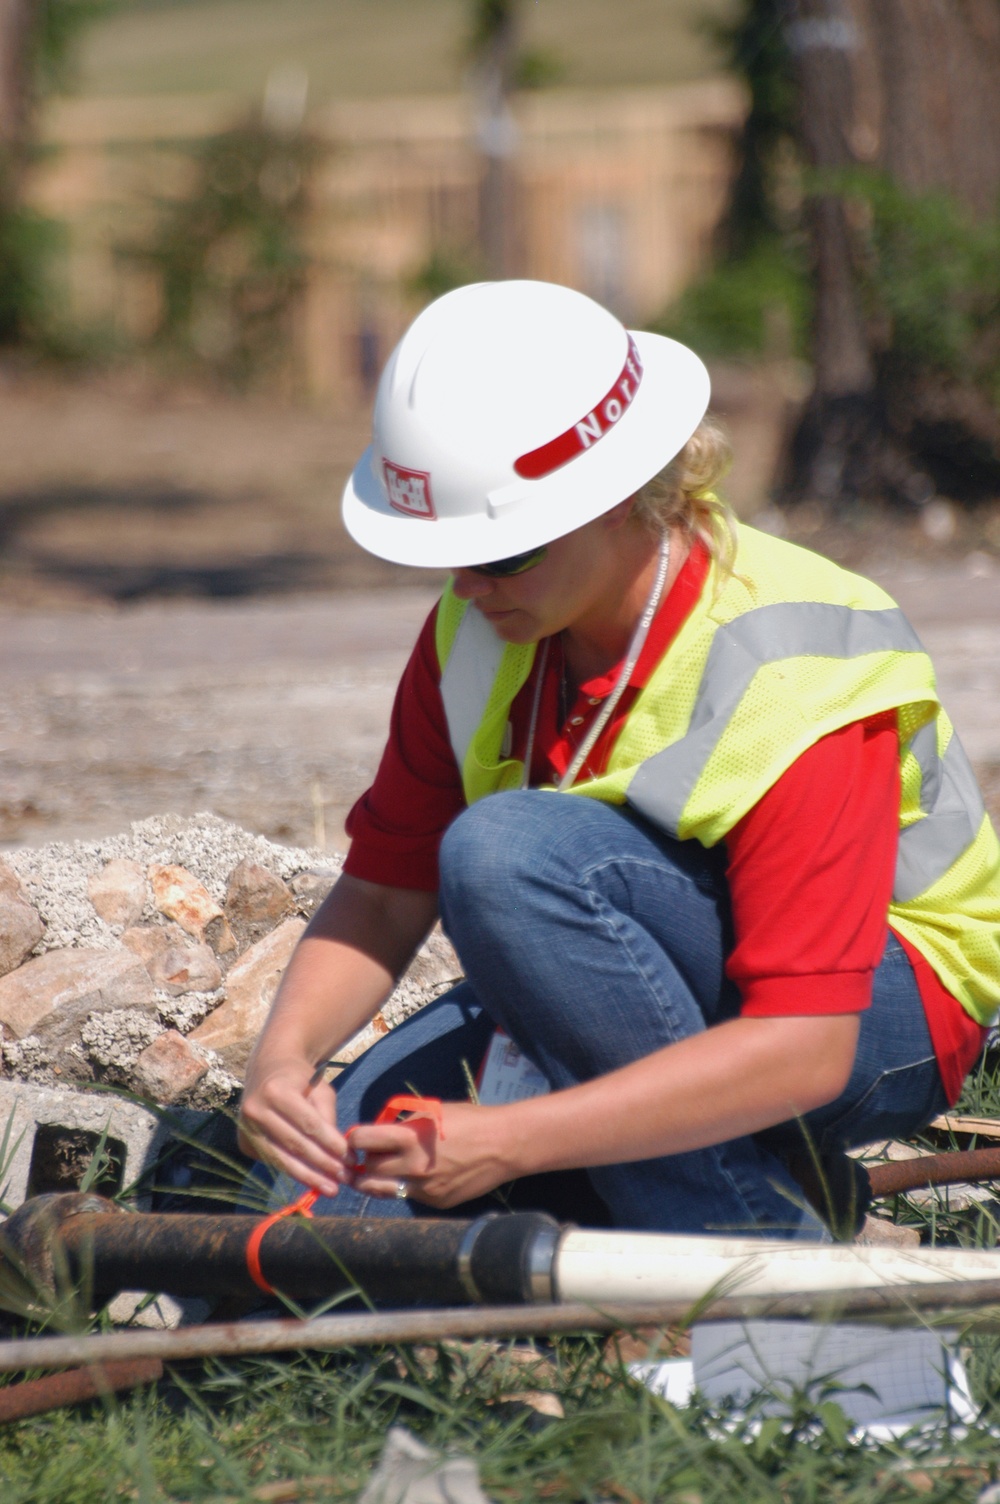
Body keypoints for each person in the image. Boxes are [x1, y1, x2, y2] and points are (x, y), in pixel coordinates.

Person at [239, 279, 1000, 1240]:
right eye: (445, 555)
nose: (468, 588)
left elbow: (805, 1043)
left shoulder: (790, 654)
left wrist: (516, 1140)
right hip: (633, 983)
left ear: (627, 497)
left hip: (878, 1011)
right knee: (332, 1199)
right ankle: (760, 1191)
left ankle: (752, 1275)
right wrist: (282, 1061)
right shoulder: (478, 633)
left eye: (505, 554)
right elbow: (385, 893)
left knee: (505, 853)